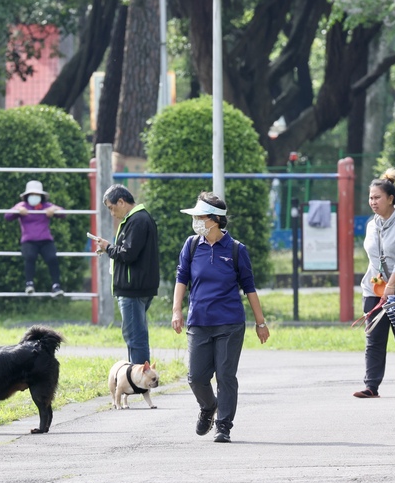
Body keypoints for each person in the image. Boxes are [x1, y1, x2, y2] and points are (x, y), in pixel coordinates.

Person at [171, 192, 270, 444]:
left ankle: (223, 426)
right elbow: (182, 278)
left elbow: (249, 288)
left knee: (226, 375)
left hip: (230, 323)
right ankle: (208, 407)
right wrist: (176, 310)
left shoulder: (237, 250)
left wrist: (261, 323)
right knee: (196, 377)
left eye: (200, 217)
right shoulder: (192, 245)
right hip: (199, 322)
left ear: (215, 219)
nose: (196, 221)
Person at [354, 169, 395, 399]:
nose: (373, 202)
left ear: (391, 198)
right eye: (371, 197)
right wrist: (380, 282)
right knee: (374, 338)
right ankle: (371, 386)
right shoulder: (372, 225)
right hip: (374, 288)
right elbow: (374, 258)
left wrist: (391, 284)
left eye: (377, 197)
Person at [94, 185, 160, 365]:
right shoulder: (138, 219)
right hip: (138, 287)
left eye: (111, 207)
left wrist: (108, 247)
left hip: (133, 290)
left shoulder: (137, 220)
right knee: (135, 335)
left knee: (135, 337)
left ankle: (140, 381)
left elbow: (127, 254)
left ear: (121, 202)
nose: (111, 212)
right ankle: (138, 377)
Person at [5, 180, 65, 297]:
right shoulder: (22, 206)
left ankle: (56, 286)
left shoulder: (46, 206)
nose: (34, 197)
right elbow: (7, 216)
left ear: (41, 196)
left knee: (52, 258)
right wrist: (17, 211)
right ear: (27, 196)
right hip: (29, 240)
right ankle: (29, 284)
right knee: (30, 257)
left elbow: (63, 213)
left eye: (37, 194)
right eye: (32, 194)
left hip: (45, 239)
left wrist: (54, 211)